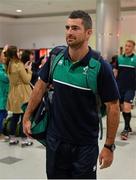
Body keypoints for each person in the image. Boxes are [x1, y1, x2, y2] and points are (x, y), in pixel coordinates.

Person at [23, 10, 120, 179]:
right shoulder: (55, 56)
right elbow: (40, 86)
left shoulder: (99, 66)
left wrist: (109, 146)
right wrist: (27, 115)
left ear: (89, 33)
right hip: (55, 140)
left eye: (75, 28)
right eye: (67, 27)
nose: (69, 32)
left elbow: (113, 107)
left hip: (85, 145)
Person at [5, 45, 33, 146]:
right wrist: (29, 70)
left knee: (15, 116)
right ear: (15, 53)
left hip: (13, 92)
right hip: (22, 93)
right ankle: (24, 140)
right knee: (24, 116)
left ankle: (12, 138)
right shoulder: (19, 64)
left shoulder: (9, 64)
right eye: (17, 51)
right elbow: (26, 80)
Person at [113, 40, 136, 140]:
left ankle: (126, 129)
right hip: (119, 87)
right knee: (123, 108)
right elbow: (115, 72)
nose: (127, 48)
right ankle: (128, 125)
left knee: (127, 107)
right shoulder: (119, 58)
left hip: (130, 88)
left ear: (133, 48)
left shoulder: (135, 59)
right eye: (126, 46)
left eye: (129, 46)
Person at [0, 48, 9, 137]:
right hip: (1, 96)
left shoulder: (3, 67)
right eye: (3, 55)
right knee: (1, 115)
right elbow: (7, 78)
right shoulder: (0, 71)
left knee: (4, 114)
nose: (4, 57)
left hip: (5, 96)